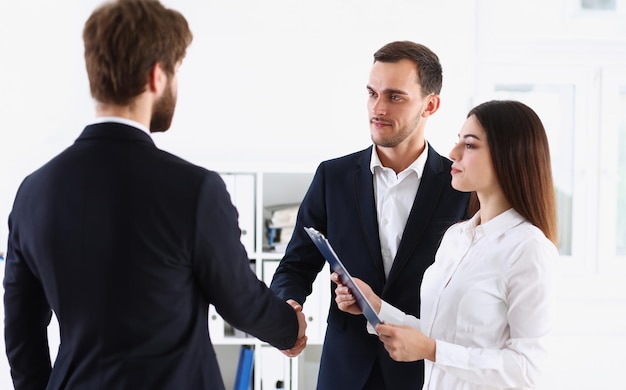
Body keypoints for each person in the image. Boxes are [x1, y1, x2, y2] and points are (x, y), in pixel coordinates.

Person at [3, 1, 306, 389]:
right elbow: (239, 299)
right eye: (176, 71)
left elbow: (22, 333)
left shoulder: (33, 193)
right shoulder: (195, 190)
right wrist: (289, 327)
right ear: (156, 76)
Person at [269, 41, 470, 389]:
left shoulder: (462, 187)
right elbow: (296, 264)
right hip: (345, 370)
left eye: (395, 96)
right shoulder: (333, 177)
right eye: (372, 93)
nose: (377, 108)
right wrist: (288, 309)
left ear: (430, 105)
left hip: (423, 372)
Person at [334, 100, 559, 389]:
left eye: (469, 145)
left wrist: (432, 351)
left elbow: (529, 369)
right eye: (457, 142)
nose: (452, 154)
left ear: (507, 156)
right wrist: (375, 306)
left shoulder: (528, 249)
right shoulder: (456, 237)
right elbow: (436, 336)